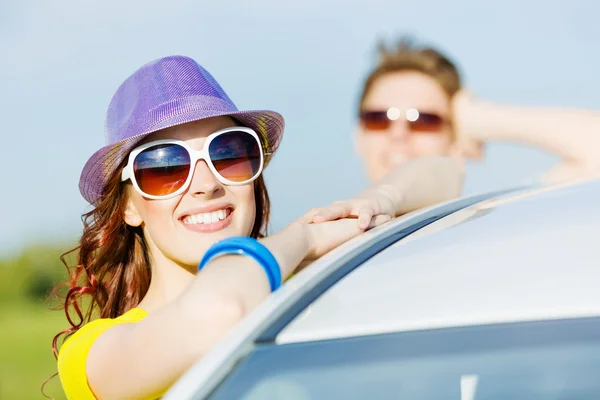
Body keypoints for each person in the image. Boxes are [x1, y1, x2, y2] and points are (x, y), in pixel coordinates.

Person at [52, 55, 463, 399]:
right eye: (166, 167)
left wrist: (378, 200)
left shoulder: (292, 279)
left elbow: (445, 174)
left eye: (229, 153)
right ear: (128, 207)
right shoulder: (90, 354)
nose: (208, 183)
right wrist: (301, 238)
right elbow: (220, 311)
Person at [355, 38, 600, 185]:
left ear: (456, 142)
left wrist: (476, 117)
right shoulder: (324, 249)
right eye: (378, 119)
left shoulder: (500, 224)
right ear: (358, 136)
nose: (398, 134)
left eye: (424, 121)